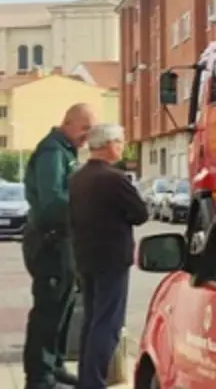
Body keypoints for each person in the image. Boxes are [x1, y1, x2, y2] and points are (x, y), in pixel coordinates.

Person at [68, 124, 149, 389]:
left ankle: (87, 378)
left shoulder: (78, 178)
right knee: (108, 324)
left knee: (92, 321)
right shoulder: (114, 179)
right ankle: (94, 382)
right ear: (108, 144)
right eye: (120, 142)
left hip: (85, 257)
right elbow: (140, 213)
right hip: (112, 259)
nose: (123, 147)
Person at [23, 104, 94, 389]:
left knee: (63, 307)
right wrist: (86, 205)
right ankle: (40, 376)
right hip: (49, 240)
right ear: (67, 123)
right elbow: (52, 202)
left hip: (63, 240)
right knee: (48, 309)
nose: (86, 136)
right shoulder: (53, 151)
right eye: (84, 129)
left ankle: (55, 364)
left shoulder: (65, 150)